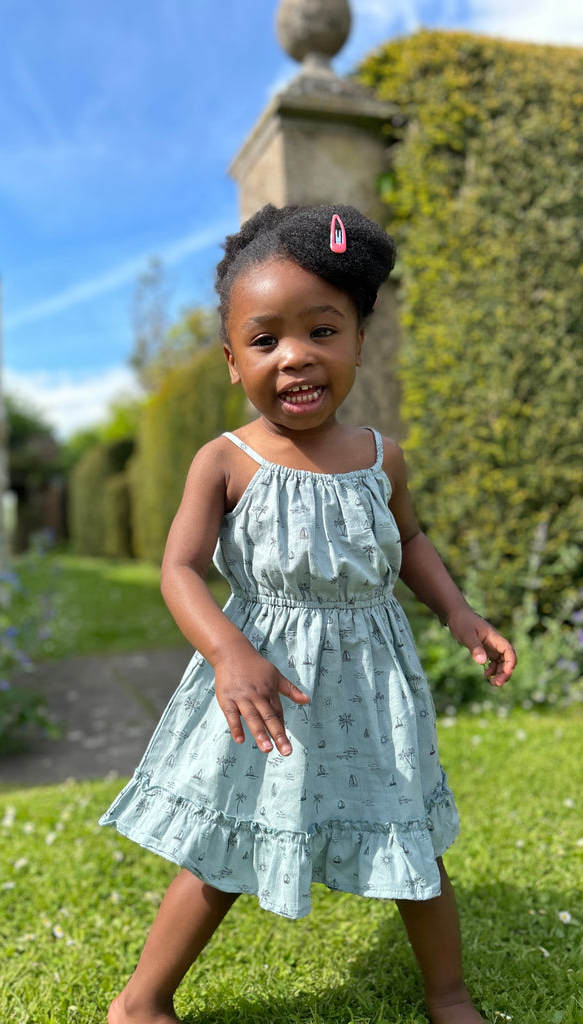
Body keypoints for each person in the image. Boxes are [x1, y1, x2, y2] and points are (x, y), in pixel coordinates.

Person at [100, 203, 516, 1024]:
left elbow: (411, 541)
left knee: (411, 837)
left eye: (322, 331)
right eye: (265, 341)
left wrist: (461, 617)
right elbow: (179, 571)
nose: (295, 357)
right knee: (224, 844)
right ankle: (142, 1001)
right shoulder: (224, 460)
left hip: (371, 685)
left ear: (358, 340)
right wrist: (227, 652)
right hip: (265, 686)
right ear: (231, 361)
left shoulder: (379, 457)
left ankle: (449, 992)